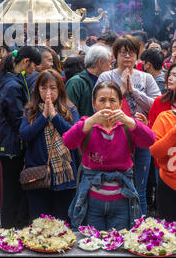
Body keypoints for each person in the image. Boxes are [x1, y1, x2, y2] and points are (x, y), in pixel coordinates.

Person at [62, 81, 155, 231]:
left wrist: (129, 120)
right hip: (91, 202)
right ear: (94, 104)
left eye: (112, 101)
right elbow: (68, 141)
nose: (107, 105)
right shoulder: (86, 124)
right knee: (93, 245)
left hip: (123, 202)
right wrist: (91, 121)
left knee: (118, 244)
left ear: (120, 104)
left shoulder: (127, 126)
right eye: (102, 100)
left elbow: (150, 140)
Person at [96, 35, 161, 216]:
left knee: (139, 187)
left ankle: (139, 229)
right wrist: (122, 91)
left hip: (140, 135)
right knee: (116, 187)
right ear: (115, 55)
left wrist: (134, 91)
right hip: (114, 137)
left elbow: (156, 104)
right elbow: (98, 104)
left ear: (137, 56)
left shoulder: (146, 78)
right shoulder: (106, 76)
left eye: (131, 53)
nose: (127, 57)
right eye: (123, 53)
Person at [19, 69, 79, 222]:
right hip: (38, 177)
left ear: (60, 89)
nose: (48, 93)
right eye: (43, 88)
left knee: (62, 223)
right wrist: (44, 117)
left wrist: (54, 116)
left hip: (64, 178)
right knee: (39, 223)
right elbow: (25, 135)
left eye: (53, 88)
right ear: (37, 89)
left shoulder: (70, 109)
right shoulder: (30, 110)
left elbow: (74, 136)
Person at [0, 46, 41, 228]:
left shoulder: (5, 77)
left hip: (6, 142)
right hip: (11, 144)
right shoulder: (13, 85)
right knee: (12, 190)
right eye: (33, 67)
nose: (33, 71)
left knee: (11, 189)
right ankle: (9, 229)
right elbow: (17, 119)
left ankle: (10, 226)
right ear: (26, 62)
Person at [66, 44, 112, 117]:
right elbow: (69, 112)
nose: (110, 66)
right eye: (109, 62)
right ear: (100, 63)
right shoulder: (76, 83)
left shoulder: (107, 81)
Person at [150, 109, 176, 221]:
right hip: (168, 185)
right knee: (170, 234)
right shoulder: (165, 118)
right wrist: (174, 132)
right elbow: (155, 151)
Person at [148, 63, 176, 128]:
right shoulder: (159, 101)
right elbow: (152, 130)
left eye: (175, 75)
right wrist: (146, 124)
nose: (170, 78)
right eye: (169, 75)